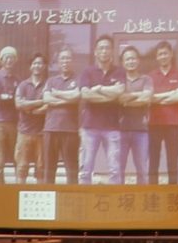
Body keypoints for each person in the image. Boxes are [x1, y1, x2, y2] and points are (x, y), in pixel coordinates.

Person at [77, 34, 122, 183]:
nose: (104, 51)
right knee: (86, 168)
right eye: (101, 48)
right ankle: (84, 199)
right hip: (90, 127)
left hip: (112, 127)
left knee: (115, 169)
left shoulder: (119, 71)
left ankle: (115, 201)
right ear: (95, 51)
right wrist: (109, 94)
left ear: (112, 51)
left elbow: (119, 92)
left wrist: (98, 89)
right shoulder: (87, 72)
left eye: (107, 48)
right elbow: (85, 94)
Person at [147, 41, 178, 184]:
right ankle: (153, 190)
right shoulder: (151, 76)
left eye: (165, 53)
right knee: (153, 160)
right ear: (157, 57)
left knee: (172, 161)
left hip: (173, 124)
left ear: (171, 54)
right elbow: (149, 98)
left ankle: (172, 191)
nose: (163, 56)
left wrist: (159, 97)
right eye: (160, 54)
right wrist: (169, 94)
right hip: (154, 124)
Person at [43, 49, 84, 185]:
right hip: (51, 129)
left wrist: (57, 94)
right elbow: (47, 98)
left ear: (72, 61)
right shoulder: (51, 80)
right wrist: (66, 98)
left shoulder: (78, 79)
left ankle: (72, 196)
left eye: (68, 58)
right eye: (62, 59)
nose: (65, 62)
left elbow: (76, 96)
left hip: (70, 130)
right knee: (49, 167)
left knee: (71, 167)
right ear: (58, 62)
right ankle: (48, 196)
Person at [115, 44, 153, 182]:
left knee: (142, 169)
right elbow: (119, 99)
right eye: (127, 59)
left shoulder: (146, 79)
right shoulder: (118, 80)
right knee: (119, 169)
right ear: (123, 63)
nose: (131, 61)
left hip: (141, 131)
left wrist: (127, 99)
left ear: (138, 60)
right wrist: (138, 96)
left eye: (133, 58)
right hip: (121, 130)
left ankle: (141, 198)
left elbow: (147, 98)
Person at [15, 52, 52, 184]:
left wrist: (30, 108)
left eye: (40, 63)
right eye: (35, 63)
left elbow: (48, 105)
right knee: (22, 167)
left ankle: (39, 197)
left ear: (45, 66)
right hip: (24, 131)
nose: (37, 65)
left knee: (41, 167)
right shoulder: (23, 85)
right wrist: (39, 102)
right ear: (30, 66)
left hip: (41, 132)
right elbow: (19, 104)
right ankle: (19, 193)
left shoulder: (48, 84)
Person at [0, 46, 21, 181]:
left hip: (13, 122)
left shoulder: (17, 79)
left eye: (12, 57)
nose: (9, 60)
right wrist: (10, 98)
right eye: (6, 57)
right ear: (1, 60)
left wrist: (6, 96)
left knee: (17, 157)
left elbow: (19, 100)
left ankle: (17, 188)